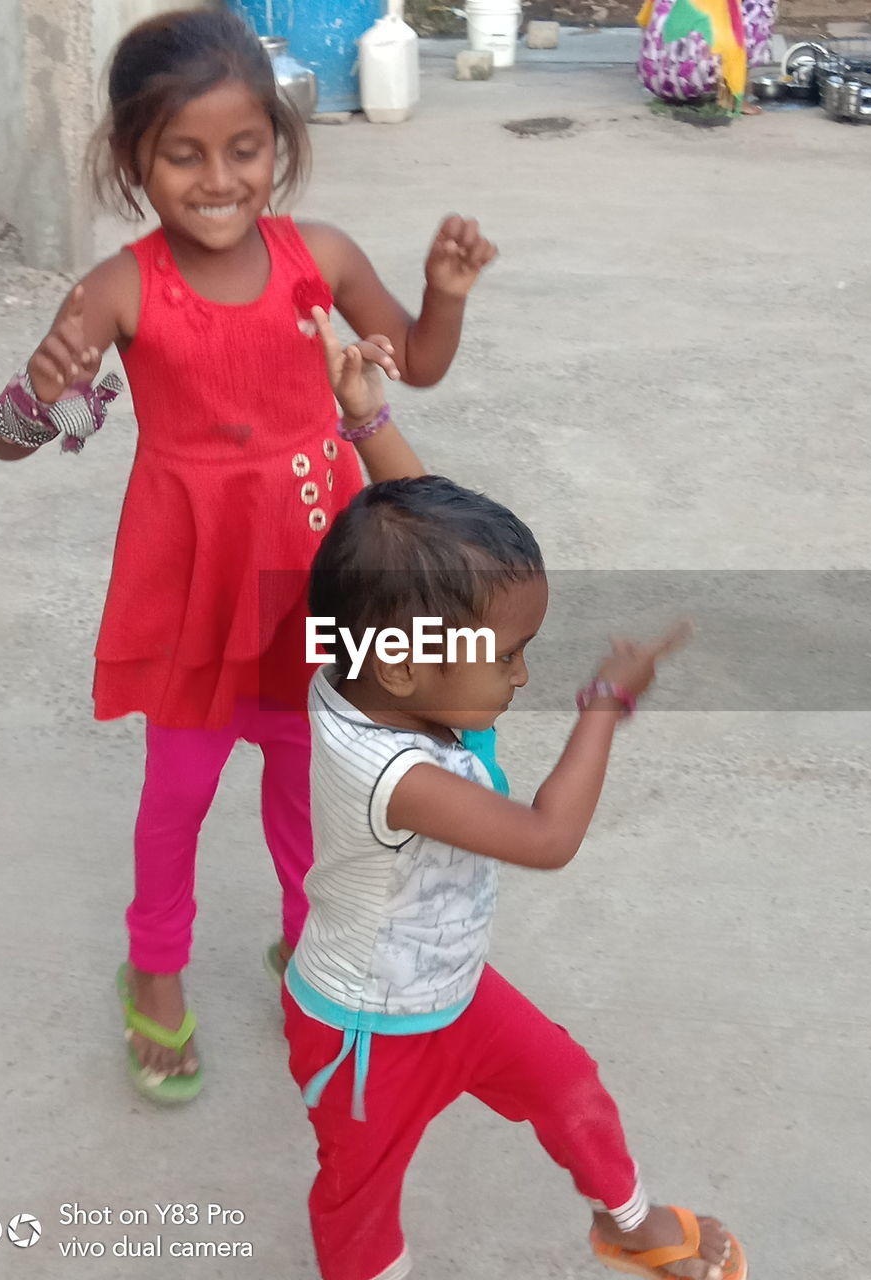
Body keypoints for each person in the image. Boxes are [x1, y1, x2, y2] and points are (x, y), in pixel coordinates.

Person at [0, 7, 496, 1103]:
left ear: (280, 141)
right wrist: (37, 387)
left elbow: (424, 363)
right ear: (134, 159)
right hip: (192, 589)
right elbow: (10, 440)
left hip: (316, 576)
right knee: (177, 790)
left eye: (244, 147)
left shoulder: (326, 259)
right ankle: (155, 969)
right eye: (183, 153)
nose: (218, 179)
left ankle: (309, 944)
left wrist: (444, 296)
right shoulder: (121, 288)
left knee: (314, 785)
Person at [282, 475, 747, 1280]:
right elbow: (547, 836)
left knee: (570, 1085)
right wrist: (603, 705)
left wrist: (369, 426)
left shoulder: (379, 672)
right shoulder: (388, 771)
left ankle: (630, 1223)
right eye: (506, 656)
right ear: (400, 666)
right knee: (359, 1201)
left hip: (454, 993)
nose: (522, 677)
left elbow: (416, 531)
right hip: (364, 1031)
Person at [636, 0, 777, 114]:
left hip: (654, 77)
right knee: (760, 5)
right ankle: (732, 97)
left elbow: (646, 18)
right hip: (692, 80)